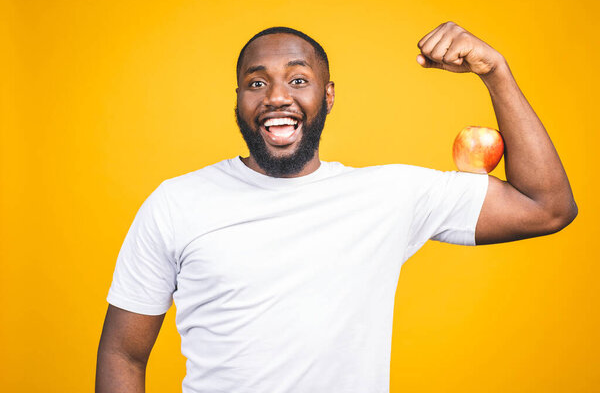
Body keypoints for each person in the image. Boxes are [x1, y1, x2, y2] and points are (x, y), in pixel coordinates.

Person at [96, 23, 577, 393]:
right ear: (239, 100)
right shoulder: (176, 203)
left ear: (327, 97)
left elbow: (547, 207)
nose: (278, 96)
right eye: (256, 83)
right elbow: (123, 352)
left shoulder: (389, 195)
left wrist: (495, 71)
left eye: (298, 79)